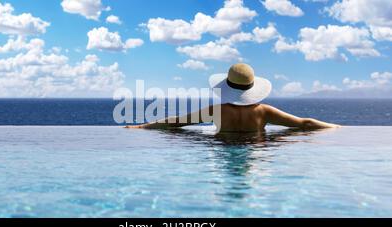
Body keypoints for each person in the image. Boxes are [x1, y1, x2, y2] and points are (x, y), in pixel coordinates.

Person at [127, 63, 340, 132]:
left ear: (227, 86)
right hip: (256, 150)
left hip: (224, 150)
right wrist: (337, 127)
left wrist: (139, 127)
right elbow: (305, 123)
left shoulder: (217, 111)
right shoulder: (264, 111)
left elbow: (175, 123)